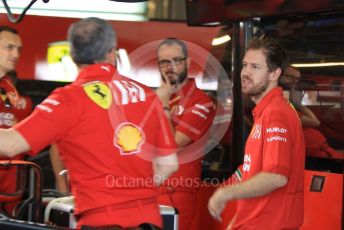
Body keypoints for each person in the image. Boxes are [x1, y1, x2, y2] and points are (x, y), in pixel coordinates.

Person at [0, 17, 179, 229]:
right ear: (112, 52)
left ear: (72, 55)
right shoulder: (148, 95)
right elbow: (169, 164)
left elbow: (9, 145)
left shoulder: (67, 99)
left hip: (100, 221)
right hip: (149, 221)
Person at [208, 37, 305, 229]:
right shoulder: (265, 112)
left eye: (255, 67)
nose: (245, 72)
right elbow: (251, 170)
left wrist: (225, 194)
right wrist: (238, 220)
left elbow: (276, 176)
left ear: (274, 74)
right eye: (244, 65)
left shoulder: (276, 114)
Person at [155, 38, 215, 230]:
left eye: (176, 60)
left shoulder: (201, 101)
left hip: (177, 194)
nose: (170, 66)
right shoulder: (153, 98)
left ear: (188, 62)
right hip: (147, 189)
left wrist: (163, 104)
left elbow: (172, 144)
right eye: (164, 62)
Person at [0, 26, 32, 216]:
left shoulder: (8, 87)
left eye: (19, 49)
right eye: (9, 47)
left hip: (10, 181)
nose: (16, 54)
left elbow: (10, 121)